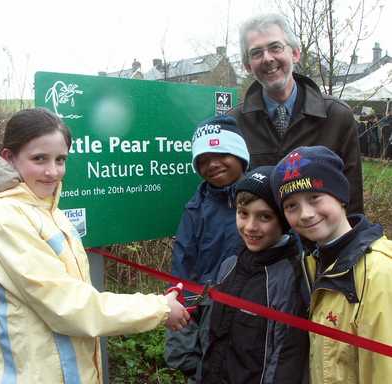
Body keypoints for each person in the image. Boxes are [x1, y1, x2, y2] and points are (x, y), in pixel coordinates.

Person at [0, 108, 190, 383]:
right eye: (39, 158)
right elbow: (70, 307)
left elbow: (17, 301)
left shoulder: (51, 212)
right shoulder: (4, 218)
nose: (52, 171)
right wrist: (160, 308)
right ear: (9, 157)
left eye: (60, 159)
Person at [271, 145, 392, 383]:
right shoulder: (312, 263)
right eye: (291, 206)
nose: (305, 214)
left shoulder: (378, 273)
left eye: (315, 197)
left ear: (340, 196)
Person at [229, 13, 363, 215]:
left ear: (295, 54)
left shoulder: (336, 116)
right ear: (248, 66)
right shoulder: (235, 123)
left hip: (320, 242)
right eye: (256, 53)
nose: (267, 58)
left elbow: (351, 199)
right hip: (261, 243)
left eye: (275, 47)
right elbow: (229, 198)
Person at [200, 166, 309, 384]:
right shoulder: (229, 265)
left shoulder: (291, 279)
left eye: (265, 217)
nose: (250, 227)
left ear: (284, 221)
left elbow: (285, 361)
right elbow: (210, 335)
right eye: (243, 214)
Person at [164, 115, 250, 383]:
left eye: (222, 153)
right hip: (207, 311)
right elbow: (185, 266)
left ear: (241, 155)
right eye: (202, 159)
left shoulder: (262, 201)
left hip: (250, 314)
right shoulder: (195, 208)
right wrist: (184, 318)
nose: (212, 164)